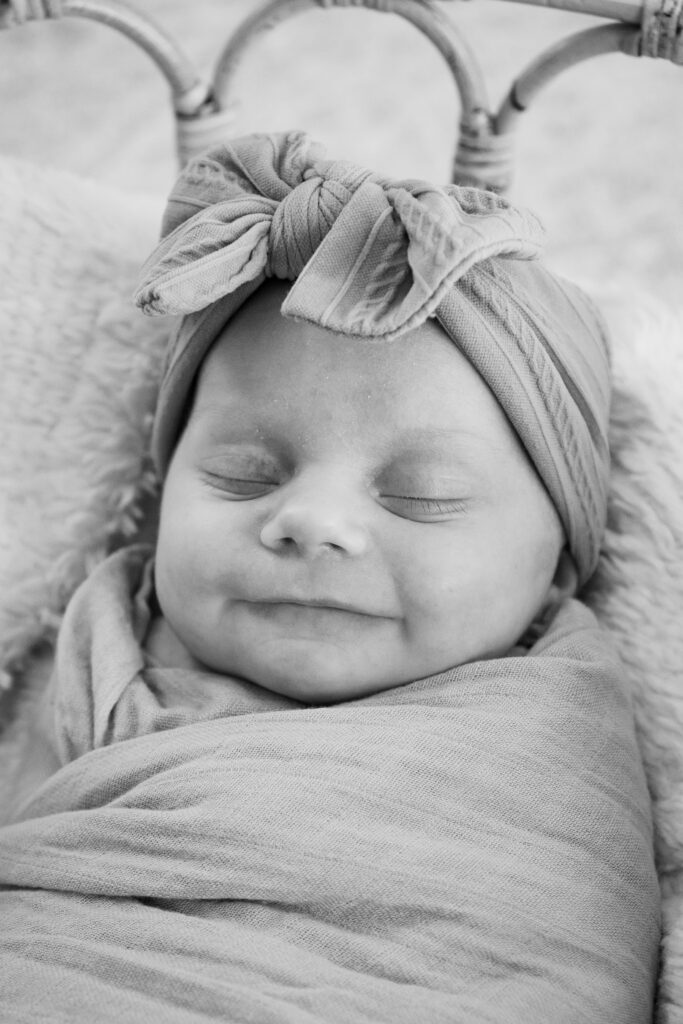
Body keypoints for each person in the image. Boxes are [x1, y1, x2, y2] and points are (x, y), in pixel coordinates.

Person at [0, 132, 660, 1023]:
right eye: (242, 474)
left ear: (557, 561)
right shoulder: (108, 634)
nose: (309, 520)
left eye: (423, 497)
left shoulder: (551, 733)